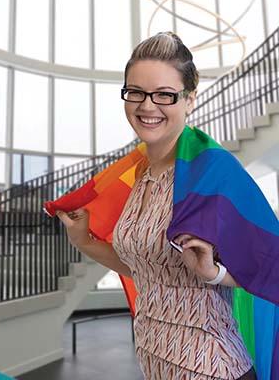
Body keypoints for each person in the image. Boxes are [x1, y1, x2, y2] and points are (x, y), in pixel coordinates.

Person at [54, 32, 259, 379]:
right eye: (136, 92)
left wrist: (214, 273)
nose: (147, 106)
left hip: (211, 366)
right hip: (154, 362)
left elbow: (268, 265)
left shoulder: (213, 175)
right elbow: (145, 269)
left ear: (190, 100)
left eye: (165, 94)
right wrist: (83, 241)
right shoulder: (139, 177)